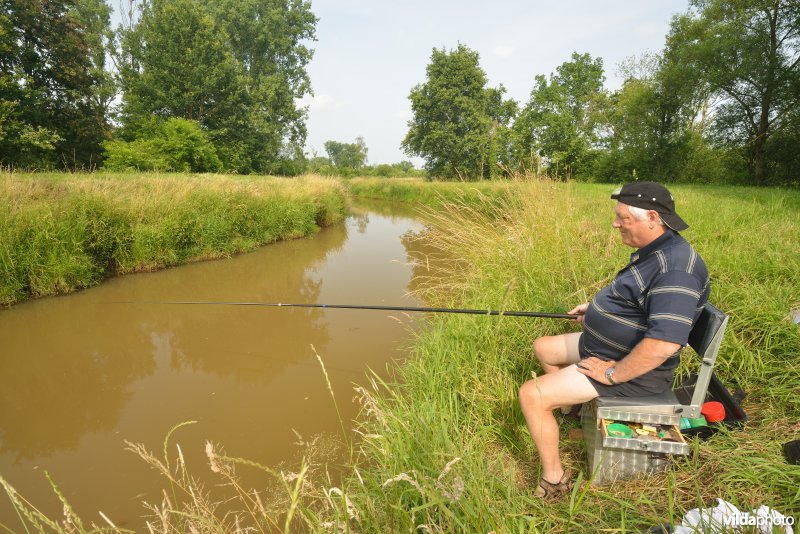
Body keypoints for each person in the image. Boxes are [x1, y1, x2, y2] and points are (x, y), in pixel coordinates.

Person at [518, 182, 710, 499]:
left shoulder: (676, 268)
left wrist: (612, 373)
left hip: (632, 369)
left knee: (532, 395)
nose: (615, 223)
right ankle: (575, 414)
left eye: (622, 218)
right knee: (544, 347)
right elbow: (637, 302)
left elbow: (664, 344)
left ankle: (555, 481)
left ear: (652, 217)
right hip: (604, 347)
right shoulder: (657, 249)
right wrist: (595, 310)